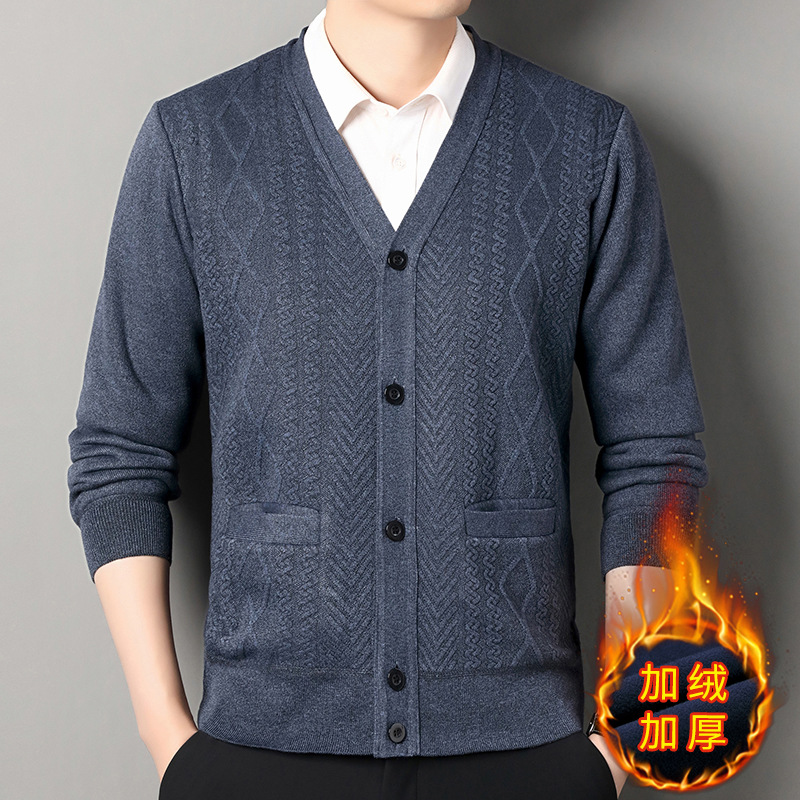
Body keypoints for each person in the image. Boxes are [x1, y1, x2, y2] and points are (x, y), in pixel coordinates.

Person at [66, 1, 709, 798]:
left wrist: (618, 742)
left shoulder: (583, 141)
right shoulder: (196, 142)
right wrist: (167, 737)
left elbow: (655, 452)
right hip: (260, 752)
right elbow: (119, 452)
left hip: (526, 751)